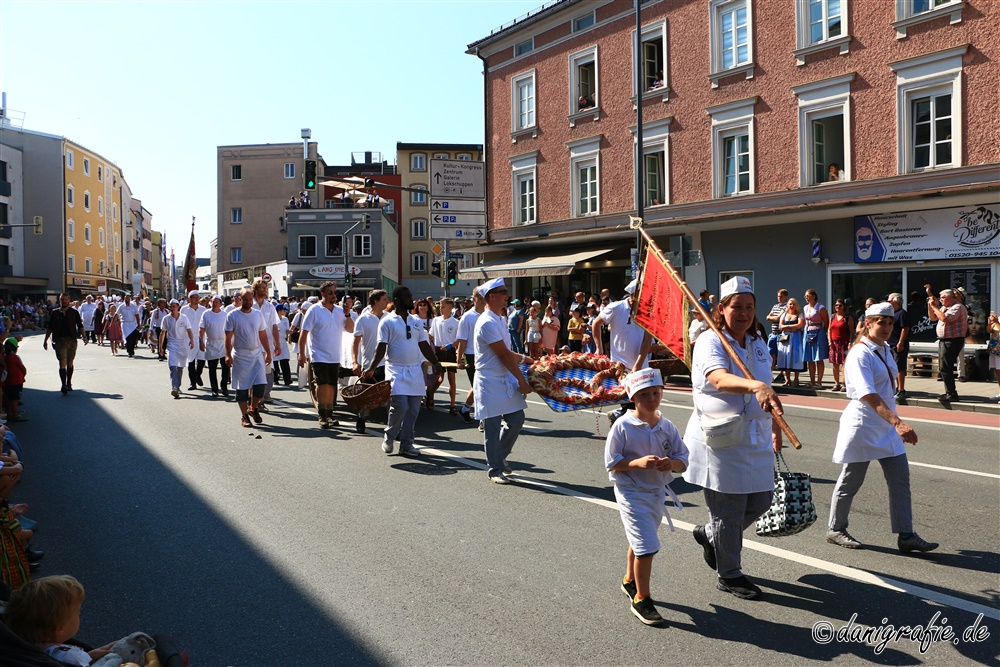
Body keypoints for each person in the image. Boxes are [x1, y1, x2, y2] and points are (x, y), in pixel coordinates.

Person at [682, 276, 783, 600]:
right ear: (721, 309)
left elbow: (766, 388)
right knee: (730, 511)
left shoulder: (755, 343)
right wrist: (754, 386)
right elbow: (719, 379)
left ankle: (711, 535)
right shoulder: (711, 342)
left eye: (749, 307)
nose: (743, 313)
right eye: (736, 307)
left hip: (755, 436)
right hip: (722, 439)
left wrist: (776, 423)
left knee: (762, 500)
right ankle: (729, 573)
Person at [826, 302, 938, 554]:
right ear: (868, 324)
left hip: (886, 424)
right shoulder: (859, 353)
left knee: (900, 479)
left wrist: (893, 421)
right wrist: (898, 422)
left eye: (889, 323)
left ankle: (906, 535)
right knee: (851, 481)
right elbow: (867, 393)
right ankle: (835, 528)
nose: (887, 327)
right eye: (881, 323)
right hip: (864, 423)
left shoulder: (884, 347)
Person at [606, 368, 688, 626]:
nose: (651, 399)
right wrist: (636, 463)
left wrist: (671, 464)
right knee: (647, 547)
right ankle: (642, 598)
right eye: (644, 394)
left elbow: (683, 460)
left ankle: (629, 580)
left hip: (656, 492)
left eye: (656, 392)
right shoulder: (622, 426)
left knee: (641, 539)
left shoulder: (666, 426)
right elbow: (611, 462)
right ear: (633, 397)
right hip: (631, 492)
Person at [363, 286, 442, 457]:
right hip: (396, 369)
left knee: (414, 409)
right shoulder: (387, 321)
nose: (411, 299)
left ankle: (407, 443)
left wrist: (436, 363)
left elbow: (423, 345)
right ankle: (390, 436)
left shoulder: (416, 321)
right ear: (398, 300)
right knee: (400, 406)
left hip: (414, 370)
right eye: (408, 296)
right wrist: (371, 368)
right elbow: (381, 347)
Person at [473, 278, 533, 483]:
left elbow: (507, 352)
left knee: (516, 421)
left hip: (503, 378)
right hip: (489, 381)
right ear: (492, 296)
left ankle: (501, 456)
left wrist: (526, 359)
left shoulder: (499, 318)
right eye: (503, 291)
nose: (507, 295)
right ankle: (495, 468)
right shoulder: (487, 322)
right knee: (491, 426)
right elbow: (504, 356)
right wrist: (522, 380)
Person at [5, 575, 117, 664]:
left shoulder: (30, 649)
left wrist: (88, 656)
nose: (79, 615)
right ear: (59, 628)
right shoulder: (72, 657)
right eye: (78, 613)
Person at [594, 279, 651, 424]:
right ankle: (625, 425)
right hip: (621, 366)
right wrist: (599, 348)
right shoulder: (616, 308)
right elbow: (596, 323)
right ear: (631, 296)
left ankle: (618, 416)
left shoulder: (647, 311)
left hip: (641, 364)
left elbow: (647, 340)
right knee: (633, 402)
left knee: (642, 402)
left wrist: (638, 365)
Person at [298, 282, 355, 429]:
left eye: (335, 293)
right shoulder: (314, 310)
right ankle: (322, 414)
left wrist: (347, 313)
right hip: (319, 354)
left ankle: (330, 413)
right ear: (322, 294)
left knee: (331, 385)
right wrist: (302, 353)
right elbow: (304, 333)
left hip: (335, 354)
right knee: (322, 384)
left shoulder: (339, 311)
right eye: (330, 293)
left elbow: (350, 329)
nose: (333, 295)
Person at [226, 288, 272, 428]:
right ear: (240, 299)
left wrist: (268, 352)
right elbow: (227, 337)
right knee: (242, 390)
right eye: (245, 299)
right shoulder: (233, 315)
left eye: (250, 299)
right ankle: (244, 415)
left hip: (256, 354)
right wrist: (228, 354)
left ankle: (253, 407)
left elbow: (262, 334)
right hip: (240, 355)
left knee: (260, 388)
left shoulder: (257, 315)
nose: (248, 302)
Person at [351, 289, 389, 434]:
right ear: (375, 301)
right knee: (367, 395)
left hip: (388, 363)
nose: (387, 302)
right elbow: (355, 343)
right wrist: (355, 362)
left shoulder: (389, 317)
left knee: (389, 394)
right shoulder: (363, 319)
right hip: (370, 363)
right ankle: (361, 418)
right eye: (384, 299)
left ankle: (392, 424)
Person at [927, 287, 967, 403]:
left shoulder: (957, 307)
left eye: (943, 297)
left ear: (950, 298)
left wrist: (935, 306)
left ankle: (952, 393)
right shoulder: (945, 307)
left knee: (946, 366)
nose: (941, 299)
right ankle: (949, 391)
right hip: (944, 340)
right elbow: (933, 317)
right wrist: (931, 306)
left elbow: (944, 318)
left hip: (953, 340)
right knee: (944, 366)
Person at [43, 293, 87, 396]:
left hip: (72, 340)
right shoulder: (55, 313)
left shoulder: (74, 312)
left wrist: (84, 336)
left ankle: (69, 382)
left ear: (69, 300)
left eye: (66, 299)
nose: (64, 301)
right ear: (60, 301)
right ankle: (63, 384)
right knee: (62, 362)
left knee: (70, 362)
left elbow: (80, 326)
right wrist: (45, 341)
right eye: (62, 299)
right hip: (59, 340)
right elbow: (49, 328)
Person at [455, 290, 486, 424]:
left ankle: (465, 409)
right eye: (479, 298)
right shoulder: (467, 317)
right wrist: (459, 358)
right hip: (471, 354)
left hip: (486, 354)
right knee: (480, 386)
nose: (482, 300)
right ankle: (483, 419)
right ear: (474, 299)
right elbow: (462, 339)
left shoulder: (488, 314)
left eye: (484, 298)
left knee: (481, 385)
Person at [250, 279, 282, 406]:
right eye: (262, 287)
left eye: (266, 287)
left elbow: (274, 326)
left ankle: (261, 397)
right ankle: (255, 400)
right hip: (252, 344)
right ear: (255, 289)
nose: (265, 290)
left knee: (265, 373)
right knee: (254, 373)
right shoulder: (250, 305)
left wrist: (277, 344)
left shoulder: (270, 306)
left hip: (266, 345)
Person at [429, 297, 460, 414]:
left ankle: (452, 405)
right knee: (439, 378)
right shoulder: (436, 320)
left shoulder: (456, 323)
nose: (440, 309)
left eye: (443, 307)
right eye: (440, 306)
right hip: (438, 351)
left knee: (452, 378)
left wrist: (451, 345)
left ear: (450, 308)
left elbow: (460, 340)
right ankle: (430, 394)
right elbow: (430, 335)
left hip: (450, 351)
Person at [159, 299, 195, 399]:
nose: (172, 308)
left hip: (182, 345)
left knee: (180, 367)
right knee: (172, 366)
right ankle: (174, 387)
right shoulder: (166, 319)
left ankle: (177, 386)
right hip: (172, 345)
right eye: (170, 306)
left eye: (174, 306)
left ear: (178, 306)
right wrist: (160, 348)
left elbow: (189, 330)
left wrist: (192, 340)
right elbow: (162, 333)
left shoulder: (184, 318)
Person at [200, 295, 231, 398]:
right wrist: (201, 341)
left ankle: (224, 387)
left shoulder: (225, 315)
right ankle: (214, 389)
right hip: (211, 344)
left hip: (223, 344)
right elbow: (202, 329)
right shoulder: (206, 314)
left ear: (221, 304)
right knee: (212, 369)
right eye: (213, 302)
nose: (214, 304)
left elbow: (230, 329)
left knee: (225, 368)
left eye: (217, 302)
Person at [180, 290, 207, 390]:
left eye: (197, 297)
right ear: (189, 299)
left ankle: (197, 374)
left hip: (201, 336)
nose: (196, 299)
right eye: (194, 297)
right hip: (189, 337)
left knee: (202, 359)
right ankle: (192, 383)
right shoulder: (184, 309)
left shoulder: (203, 309)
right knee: (190, 360)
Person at [802, 289, 830, 388]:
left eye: (808, 295)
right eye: (805, 296)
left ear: (814, 296)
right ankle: (812, 381)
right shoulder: (805, 308)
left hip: (818, 332)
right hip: (808, 332)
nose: (806, 297)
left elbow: (827, 321)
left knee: (818, 358)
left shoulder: (820, 307)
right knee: (809, 358)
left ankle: (819, 381)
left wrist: (823, 332)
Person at [776, 298, 805, 387]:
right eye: (790, 304)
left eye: (793, 304)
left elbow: (799, 325)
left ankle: (796, 379)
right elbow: (780, 326)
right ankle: (787, 379)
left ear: (796, 306)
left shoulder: (799, 315)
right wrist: (791, 328)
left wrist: (787, 326)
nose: (791, 306)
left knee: (795, 357)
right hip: (785, 339)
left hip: (796, 339)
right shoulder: (784, 314)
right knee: (785, 357)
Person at [887, 293, 910, 399]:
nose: (888, 303)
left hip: (898, 344)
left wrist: (900, 342)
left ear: (896, 301)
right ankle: (896, 387)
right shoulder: (892, 314)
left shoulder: (902, 313)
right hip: (890, 343)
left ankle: (901, 389)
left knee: (899, 366)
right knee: (893, 366)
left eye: (890, 301)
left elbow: (905, 328)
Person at [827, 299, 854, 392]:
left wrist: (850, 342)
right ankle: (836, 383)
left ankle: (845, 383)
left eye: (840, 305)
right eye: (836, 305)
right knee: (835, 365)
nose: (837, 307)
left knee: (844, 364)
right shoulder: (832, 317)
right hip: (834, 343)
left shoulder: (847, 317)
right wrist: (830, 341)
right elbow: (829, 330)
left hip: (844, 343)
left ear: (844, 306)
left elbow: (851, 331)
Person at [765, 288, 789, 382]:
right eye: (778, 296)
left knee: (781, 355)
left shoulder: (787, 306)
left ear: (785, 297)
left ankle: (781, 374)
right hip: (773, 333)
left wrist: (773, 318)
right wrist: (772, 318)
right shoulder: (775, 306)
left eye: (781, 296)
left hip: (781, 334)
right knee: (771, 354)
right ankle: (770, 373)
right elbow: (768, 317)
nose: (779, 298)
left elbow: (779, 318)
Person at [4, 338, 27, 422]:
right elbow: (23, 369)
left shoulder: (5, 358)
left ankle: (9, 413)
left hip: (8, 381)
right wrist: (24, 374)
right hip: (17, 381)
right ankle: (15, 414)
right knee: (15, 399)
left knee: (9, 397)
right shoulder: (15, 358)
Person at [272, 303, 293, 386]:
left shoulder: (285, 319)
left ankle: (287, 379)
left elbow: (287, 330)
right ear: (279, 311)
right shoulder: (272, 319)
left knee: (285, 360)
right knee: (275, 361)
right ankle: (275, 378)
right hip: (274, 341)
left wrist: (289, 333)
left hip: (283, 342)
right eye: (283, 310)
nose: (285, 312)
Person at [987, 312, 1000, 402]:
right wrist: (990, 323)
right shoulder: (998, 318)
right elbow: (989, 331)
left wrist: (997, 322)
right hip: (994, 348)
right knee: (997, 371)